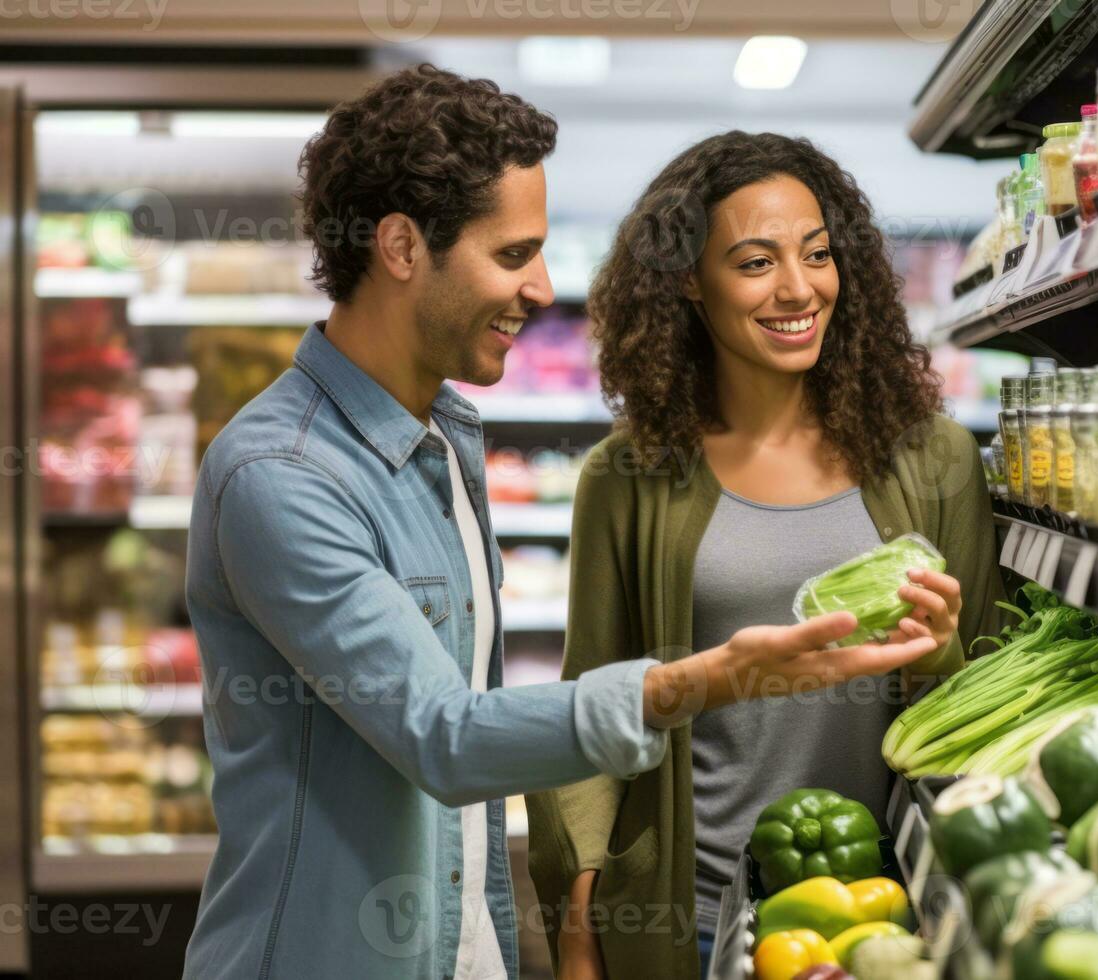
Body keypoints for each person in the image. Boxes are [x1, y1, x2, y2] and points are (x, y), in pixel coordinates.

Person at [181, 69, 942, 980]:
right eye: (513, 255)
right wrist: (705, 680)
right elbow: (447, 735)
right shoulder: (282, 476)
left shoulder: (448, 439)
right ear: (399, 247)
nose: (542, 287)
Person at [528, 132, 1006, 979]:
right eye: (755, 263)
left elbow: (987, 700)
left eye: (818, 255)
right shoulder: (629, 475)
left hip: (885, 911)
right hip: (691, 915)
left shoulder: (932, 460)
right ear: (687, 281)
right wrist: (577, 925)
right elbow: (588, 704)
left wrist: (941, 657)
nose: (798, 288)